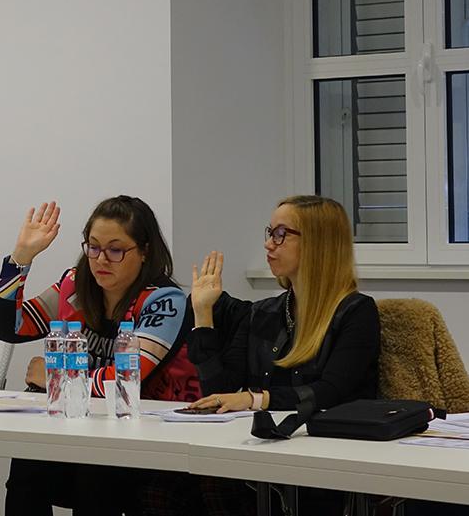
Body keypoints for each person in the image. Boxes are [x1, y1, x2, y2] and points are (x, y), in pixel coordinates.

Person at [141, 195, 380, 516]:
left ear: (318, 243)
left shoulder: (356, 312)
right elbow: (219, 391)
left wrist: (256, 399)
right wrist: (203, 314)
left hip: (327, 454)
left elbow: (331, 391)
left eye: (281, 234)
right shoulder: (263, 312)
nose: (269, 244)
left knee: (216, 484)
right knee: (160, 487)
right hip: (267, 446)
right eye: (270, 233)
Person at [0, 197, 199, 516]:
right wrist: (21, 258)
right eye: (93, 247)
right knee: (29, 457)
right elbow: (6, 326)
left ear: (144, 251)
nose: (101, 259)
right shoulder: (75, 285)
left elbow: (126, 381)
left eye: (115, 250)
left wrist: (56, 377)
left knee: (94, 470)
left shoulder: (163, 301)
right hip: (88, 426)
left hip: (148, 435)